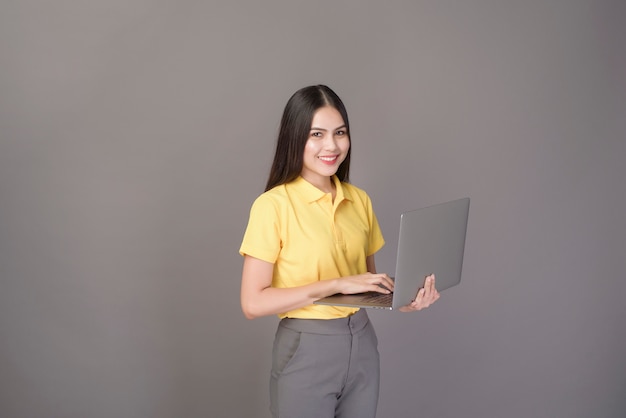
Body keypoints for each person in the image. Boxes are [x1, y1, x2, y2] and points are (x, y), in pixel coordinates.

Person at [239, 85, 440, 418]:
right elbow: (252, 303)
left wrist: (406, 298)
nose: (331, 146)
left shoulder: (359, 200)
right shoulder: (272, 206)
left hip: (362, 343)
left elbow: (366, 285)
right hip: (306, 348)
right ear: (295, 137)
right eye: (316, 134)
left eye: (340, 133)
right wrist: (334, 285)